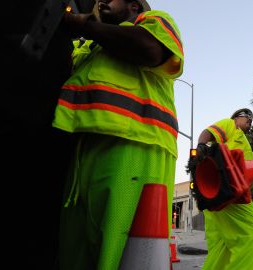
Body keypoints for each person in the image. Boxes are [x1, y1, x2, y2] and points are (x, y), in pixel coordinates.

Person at [53, 0, 184, 268]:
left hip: (137, 146)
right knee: (76, 254)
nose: (101, 2)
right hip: (85, 150)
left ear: (134, 6)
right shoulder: (91, 48)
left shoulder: (151, 20)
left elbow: (150, 49)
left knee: (121, 254)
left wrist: (87, 26)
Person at [196, 108, 253, 270]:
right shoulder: (230, 125)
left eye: (252, 119)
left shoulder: (246, 145)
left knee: (221, 247)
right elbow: (207, 132)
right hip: (226, 191)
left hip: (221, 196)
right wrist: (200, 146)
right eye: (247, 117)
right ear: (236, 118)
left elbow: (246, 171)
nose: (250, 121)